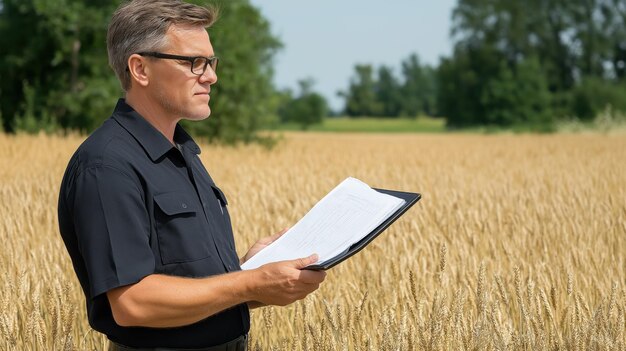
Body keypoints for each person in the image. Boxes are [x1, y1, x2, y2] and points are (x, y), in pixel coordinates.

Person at [57, 1, 327, 350]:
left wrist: (253, 271)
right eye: (193, 62)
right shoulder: (107, 166)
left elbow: (194, 286)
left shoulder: (183, 153)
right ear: (140, 69)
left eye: (211, 62)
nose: (211, 75)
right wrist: (251, 282)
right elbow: (132, 302)